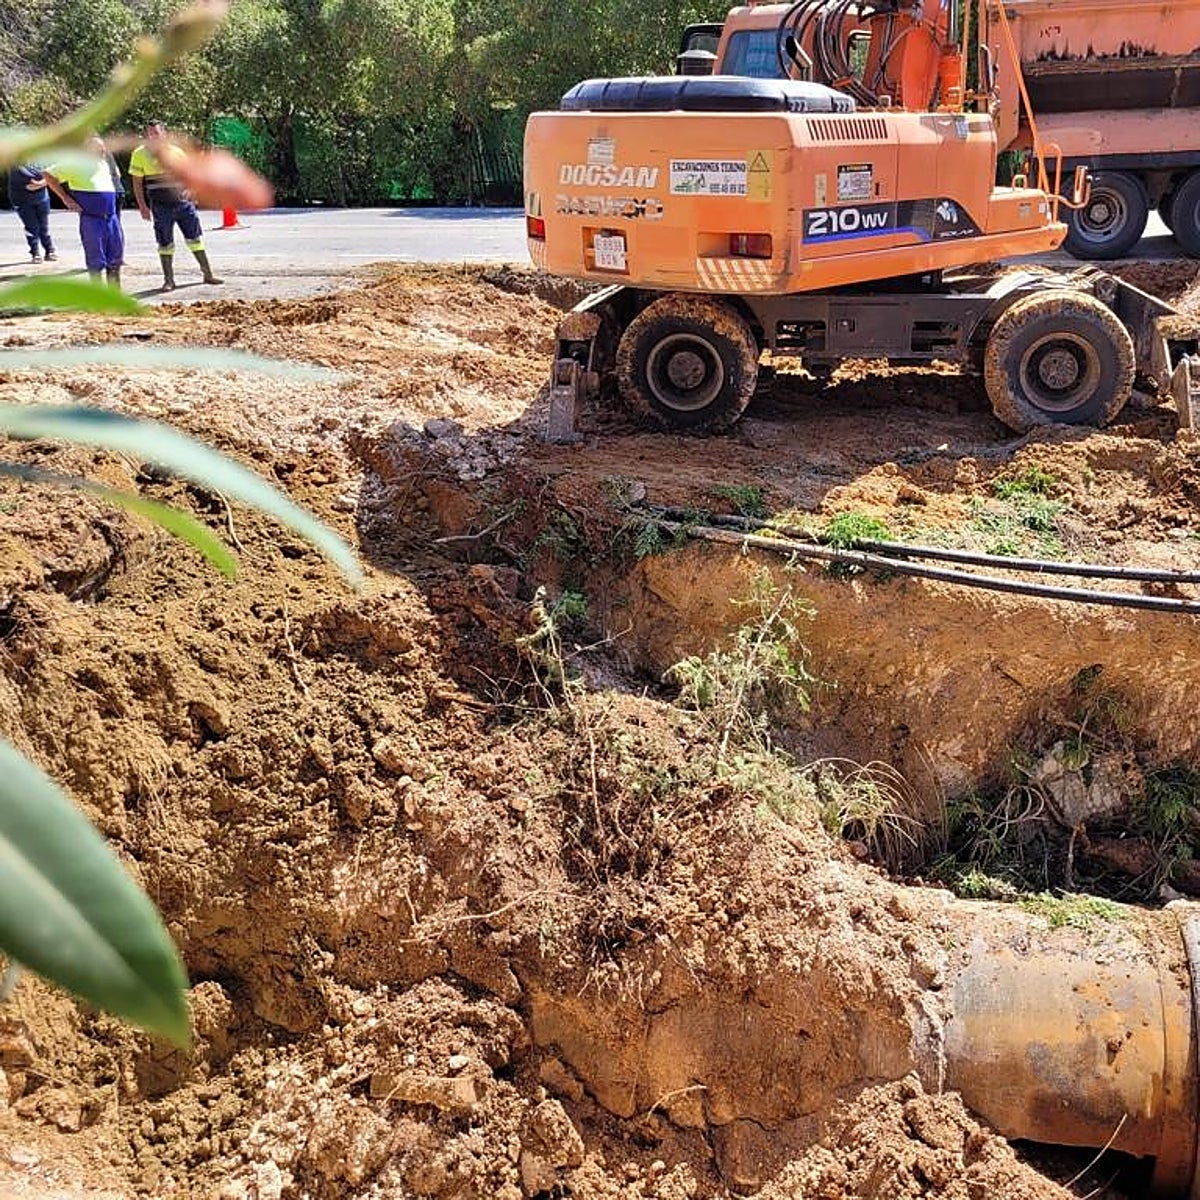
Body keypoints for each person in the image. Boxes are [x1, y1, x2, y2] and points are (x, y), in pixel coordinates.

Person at [129, 121, 221, 291]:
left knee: (195, 239)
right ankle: (169, 280)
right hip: (160, 206)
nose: (152, 136)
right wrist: (142, 205)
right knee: (165, 243)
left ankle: (208, 274)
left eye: (155, 132)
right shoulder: (139, 154)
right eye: (149, 133)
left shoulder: (176, 152)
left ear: (164, 134)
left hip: (183, 204)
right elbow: (136, 182)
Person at [42, 141, 125, 288]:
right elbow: (48, 174)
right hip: (92, 218)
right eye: (97, 148)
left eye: (102, 148)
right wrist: (65, 198)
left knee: (115, 258)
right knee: (96, 260)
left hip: (111, 218)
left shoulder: (103, 164)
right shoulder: (75, 163)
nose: (102, 151)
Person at [7, 163, 56, 263]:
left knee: (44, 226)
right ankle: (35, 252)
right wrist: (44, 179)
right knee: (31, 227)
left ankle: (49, 250)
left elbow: (55, 174)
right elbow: (29, 176)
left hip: (42, 198)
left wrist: (42, 183)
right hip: (22, 200)